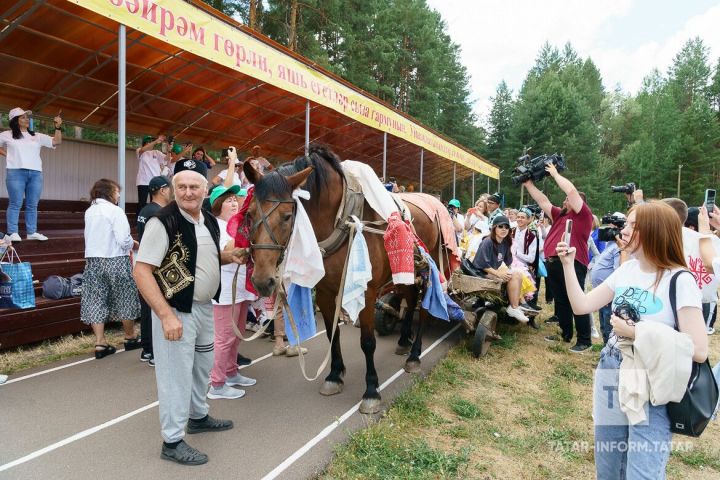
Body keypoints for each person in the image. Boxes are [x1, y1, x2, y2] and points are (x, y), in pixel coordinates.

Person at [555, 201, 707, 479]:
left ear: (651, 230)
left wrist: (637, 332)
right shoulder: (627, 270)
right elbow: (581, 305)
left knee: (642, 472)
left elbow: (698, 349)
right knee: (609, 467)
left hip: (651, 384)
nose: (622, 230)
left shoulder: (680, 280)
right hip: (612, 373)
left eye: (630, 225)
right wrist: (567, 264)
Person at [133, 167, 248, 466]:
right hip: (175, 310)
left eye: (193, 187)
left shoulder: (207, 219)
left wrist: (229, 256)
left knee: (201, 367)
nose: (187, 192)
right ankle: (172, 441)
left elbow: (202, 255)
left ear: (204, 190)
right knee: (175, 376)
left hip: (204, 307)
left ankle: (197, 416)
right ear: (172, 189)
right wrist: (165, 315)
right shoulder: (164, 221)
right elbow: (142, 270)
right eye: (181, 186)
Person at [523, 163, 594, 352]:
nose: (564, 201)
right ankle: (565, 333)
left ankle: (585, 340)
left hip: (573, 263)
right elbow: (543, 201)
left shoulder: (583, 215)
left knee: (576, 300)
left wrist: (554, 174)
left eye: (567, 200)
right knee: (561, 300)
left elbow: (570, 190)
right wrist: (529, 185)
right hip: (554, 263)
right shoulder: (560, 215)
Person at [207, 184, 258, 400]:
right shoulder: (216, 226)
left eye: (235, 199)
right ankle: (216, 384)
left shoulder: (237, 225)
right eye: (228, 200)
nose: (234, 202)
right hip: (225, 290)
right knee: (224, 337)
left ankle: (231, 372)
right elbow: (230, 250)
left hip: (241, 288)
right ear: (218, 205)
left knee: (237, 333)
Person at [81, 179, 141, 359]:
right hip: (116, 259)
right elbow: (124, 240)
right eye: (117, 191)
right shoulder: (115, 211)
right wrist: (134, 244)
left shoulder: (89, 211)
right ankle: (130, 337)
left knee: (95, 300)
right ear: (108, 192)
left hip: (93, 261)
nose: (119, 195)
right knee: (125, 297)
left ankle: (100, 343)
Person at [0, 108, 62, 242]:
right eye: (22, 117)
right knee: (15, 203)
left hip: (35, 173)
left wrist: (58, 127)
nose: (27, 119)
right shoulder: (6, 135)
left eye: (27, 117)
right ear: (15, 121)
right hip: (15, 171)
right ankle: (12, 232)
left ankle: (31, 232)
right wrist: (6, 154)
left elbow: (56, 141)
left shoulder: (36, 136)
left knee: (32, 205)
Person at [136, 176, 172, 365]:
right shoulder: (159, 212)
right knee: (156, 309)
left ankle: (147, 349)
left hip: (145, 261)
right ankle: (155, 352)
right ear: (163, 190)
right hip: (155, 264)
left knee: (147, 308)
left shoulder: (145, 210)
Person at [472, 215, 533, 323]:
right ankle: (514, 308)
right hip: (480, 273)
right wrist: (499, 274)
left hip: (492, 272)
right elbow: (481, 264)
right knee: (514, 275)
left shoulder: (505, 242)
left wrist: (509, 271)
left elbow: (508, 262)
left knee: (518, 274)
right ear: (494, 228)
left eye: (506, 227)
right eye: (500, 226)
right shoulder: (488, 242)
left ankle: (516, 306)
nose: (504, 229)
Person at [589, 213, 625, 344]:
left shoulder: (617, 248)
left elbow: (617, 271)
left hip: (609, 296)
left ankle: (609, 352)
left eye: (611, 227)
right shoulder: (609, 244)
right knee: (604, 325)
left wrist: (609, 295)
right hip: (602, 294)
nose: (607, 231)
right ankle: (605, 349)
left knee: (608, 326)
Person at [135, 135, 170, 212]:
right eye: (149, 142)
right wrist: (155, 141)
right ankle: (140, 222)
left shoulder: (156, 152)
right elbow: (142, 150)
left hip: (155, 182)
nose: (151, 143)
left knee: (155, 203)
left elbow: (167, 159)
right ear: (145, 143)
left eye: (151, 141)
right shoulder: (140, 151)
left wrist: (169, 151)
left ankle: (153, 219)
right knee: (142, 203)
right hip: (143, 182)